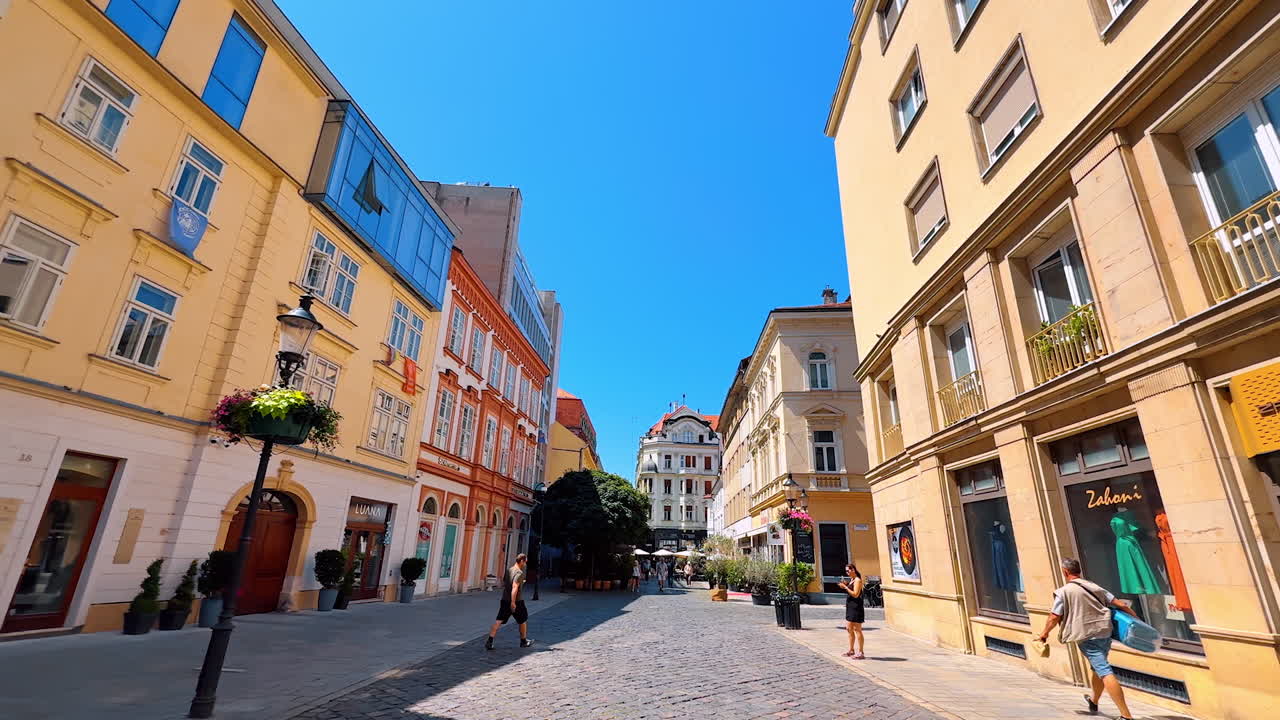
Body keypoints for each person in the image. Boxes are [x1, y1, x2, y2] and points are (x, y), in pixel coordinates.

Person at [1036, 557, 1136, 720]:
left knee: (1104, 670)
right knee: (1097, 667)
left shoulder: (1064, 592)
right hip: (1104, 632)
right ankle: (1093, 701)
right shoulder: (1094, 587)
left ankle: (1126, 715)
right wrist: (1137, 622)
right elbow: (1121, 605)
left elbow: (1054, 617)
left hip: (1087, 636)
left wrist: (1044, 634)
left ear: (1065, 572)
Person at [485, 553, 533, 650]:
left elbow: (506, 582)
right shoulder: (519, 573)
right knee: (523, 620)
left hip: (504, 599)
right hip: (517, 601)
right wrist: (513, 602)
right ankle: (523, 641)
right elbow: (515, 587)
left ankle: (489, 641)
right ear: (522, 561)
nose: (525, 564)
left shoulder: (509, 570)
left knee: (499, 620)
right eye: (525, 562)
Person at [838, 562, 865, 659]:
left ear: (853, 570)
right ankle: (851, 650)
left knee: (857, 630)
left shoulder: (857, 580)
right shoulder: (852, 580)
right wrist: (846, 584)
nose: (847, 572)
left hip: (856, 608)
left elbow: (855, 594)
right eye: (846, 571)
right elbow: (851, 590)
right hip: (850, 607)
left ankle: (861, 652)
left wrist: (845, 587)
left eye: (848, 570)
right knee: (849, 629)